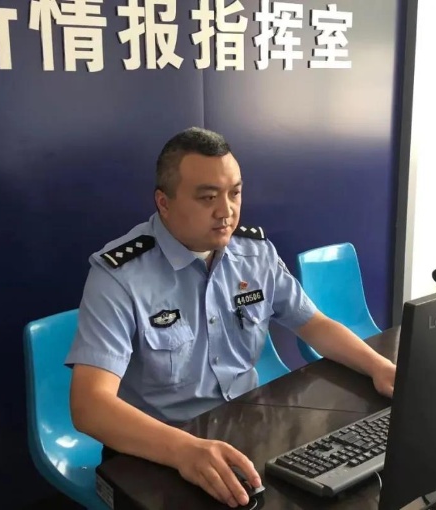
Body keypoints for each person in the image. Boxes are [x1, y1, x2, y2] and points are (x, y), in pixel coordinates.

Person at [65, 127, 396, 508]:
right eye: (208, 197)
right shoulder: (120, 276)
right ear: (164, 203)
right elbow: (90, 406)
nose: (226, 212)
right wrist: (184, 450)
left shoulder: (254, 253)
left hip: (246, 426)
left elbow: (313, 324)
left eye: (234, 193)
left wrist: (379, 366)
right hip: (157, 447)